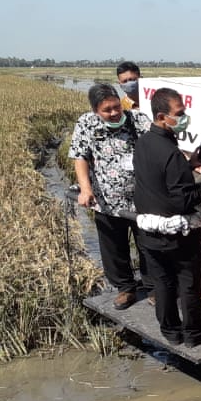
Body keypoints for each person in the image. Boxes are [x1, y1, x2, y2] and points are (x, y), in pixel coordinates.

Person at [133, 87, 201, 346]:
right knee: (189, 285)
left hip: (149, 234)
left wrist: (189, 165)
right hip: (178, 236)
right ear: (162, 116)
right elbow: (184, 200)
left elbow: (157, 180)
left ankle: (170, 334)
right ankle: (194, 335)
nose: (184, 118)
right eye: (179, 113)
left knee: (162, 285)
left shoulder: (144, 143)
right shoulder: (170, 152)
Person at [69, 84, 153, 310]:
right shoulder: (86, 124)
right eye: (107, 110)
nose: (115, 113)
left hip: (141, 198)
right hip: (106, 199)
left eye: (117, 107)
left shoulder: (138, 119)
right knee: (113, 247)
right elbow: (80, 157)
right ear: (96, 110)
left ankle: (154, 288)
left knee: (148, 244)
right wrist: (86, 190)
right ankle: (125, 289)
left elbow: (157, 145)